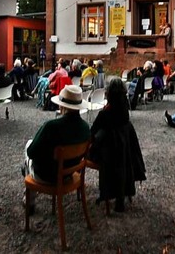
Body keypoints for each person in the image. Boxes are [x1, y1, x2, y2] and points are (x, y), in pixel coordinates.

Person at [89, 78, 146, 212]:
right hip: (125, 154)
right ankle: (121, 195)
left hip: (108, 156)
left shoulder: (105, 114)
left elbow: (92, 132)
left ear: (108, 94)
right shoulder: (124, 112)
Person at [23, 85, 91, 186]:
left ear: (62, 106)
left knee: (29, 145)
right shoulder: (86, 127)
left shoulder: (51, 126)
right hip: (69, 174)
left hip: (46, 176)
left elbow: (31, 153)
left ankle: (30, 196)